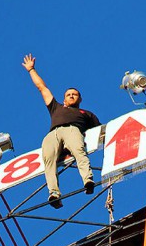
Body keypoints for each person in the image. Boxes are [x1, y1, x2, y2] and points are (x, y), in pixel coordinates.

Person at [22, 54, 100, 208]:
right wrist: (31, 70)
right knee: (49, 160)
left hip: (73, 130)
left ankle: (88, 180)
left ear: (79, 99)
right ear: (64, 99)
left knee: (79, 151)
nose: (71, 96)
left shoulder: (87, 114)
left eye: (74, 94)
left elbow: (100, 130)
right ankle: (54, 194)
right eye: (68, 94)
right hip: (54, 134)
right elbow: (42, 88)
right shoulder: (55, 107)